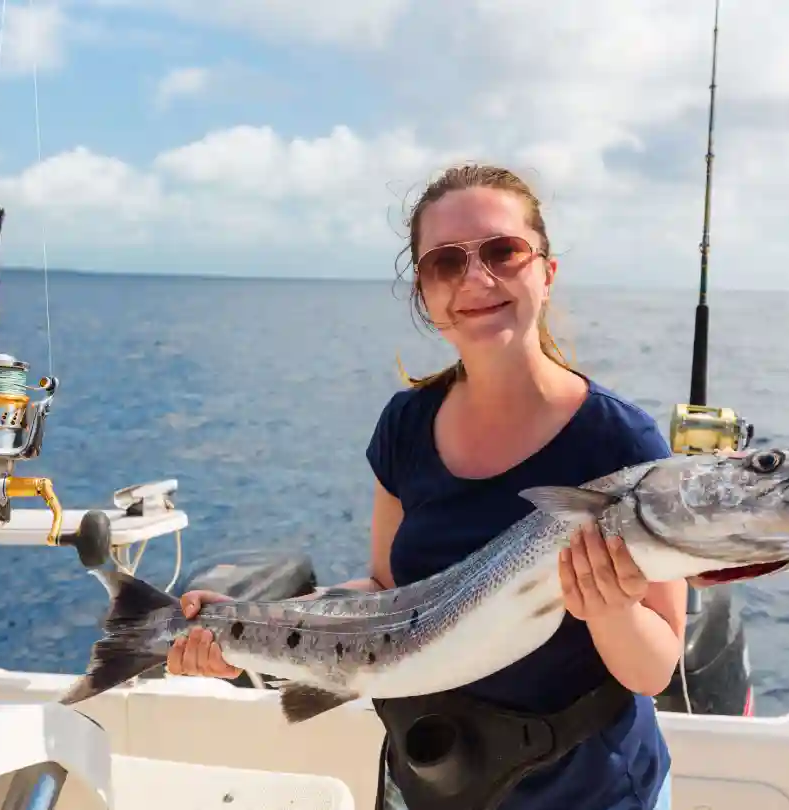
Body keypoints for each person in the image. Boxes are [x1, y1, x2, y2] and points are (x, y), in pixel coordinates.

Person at [169, 164, 686, 810]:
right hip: (433, 779)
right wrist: (245, 632)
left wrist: (609, 607)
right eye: (446, 263)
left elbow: (654, 668)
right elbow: (386, 593)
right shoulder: (406, 426)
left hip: (589, 793)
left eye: (503, 251)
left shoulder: (622, 446)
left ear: (546, 273)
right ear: (425, 293)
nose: (476, 279)